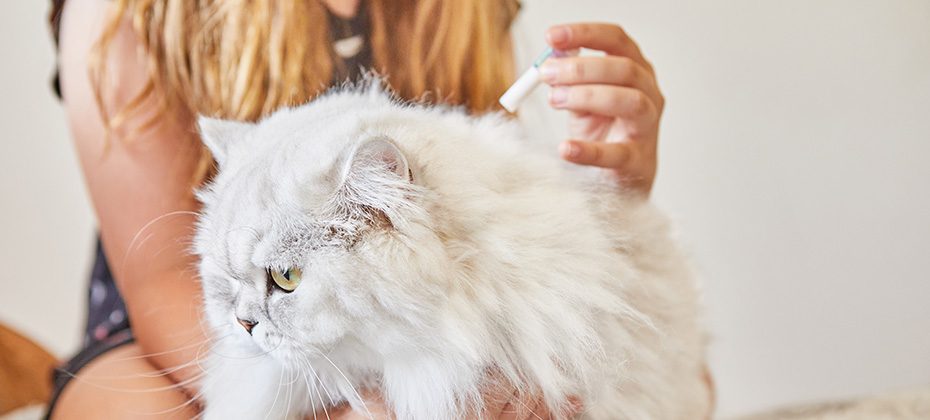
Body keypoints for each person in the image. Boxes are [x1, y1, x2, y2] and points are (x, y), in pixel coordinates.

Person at [46, 0, 667, 418]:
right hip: (185, 325)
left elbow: (458, 227)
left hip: (392, 312)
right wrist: (356, 406)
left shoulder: (459, 12)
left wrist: (608, 189)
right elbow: (159, 275)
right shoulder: (124, 15)